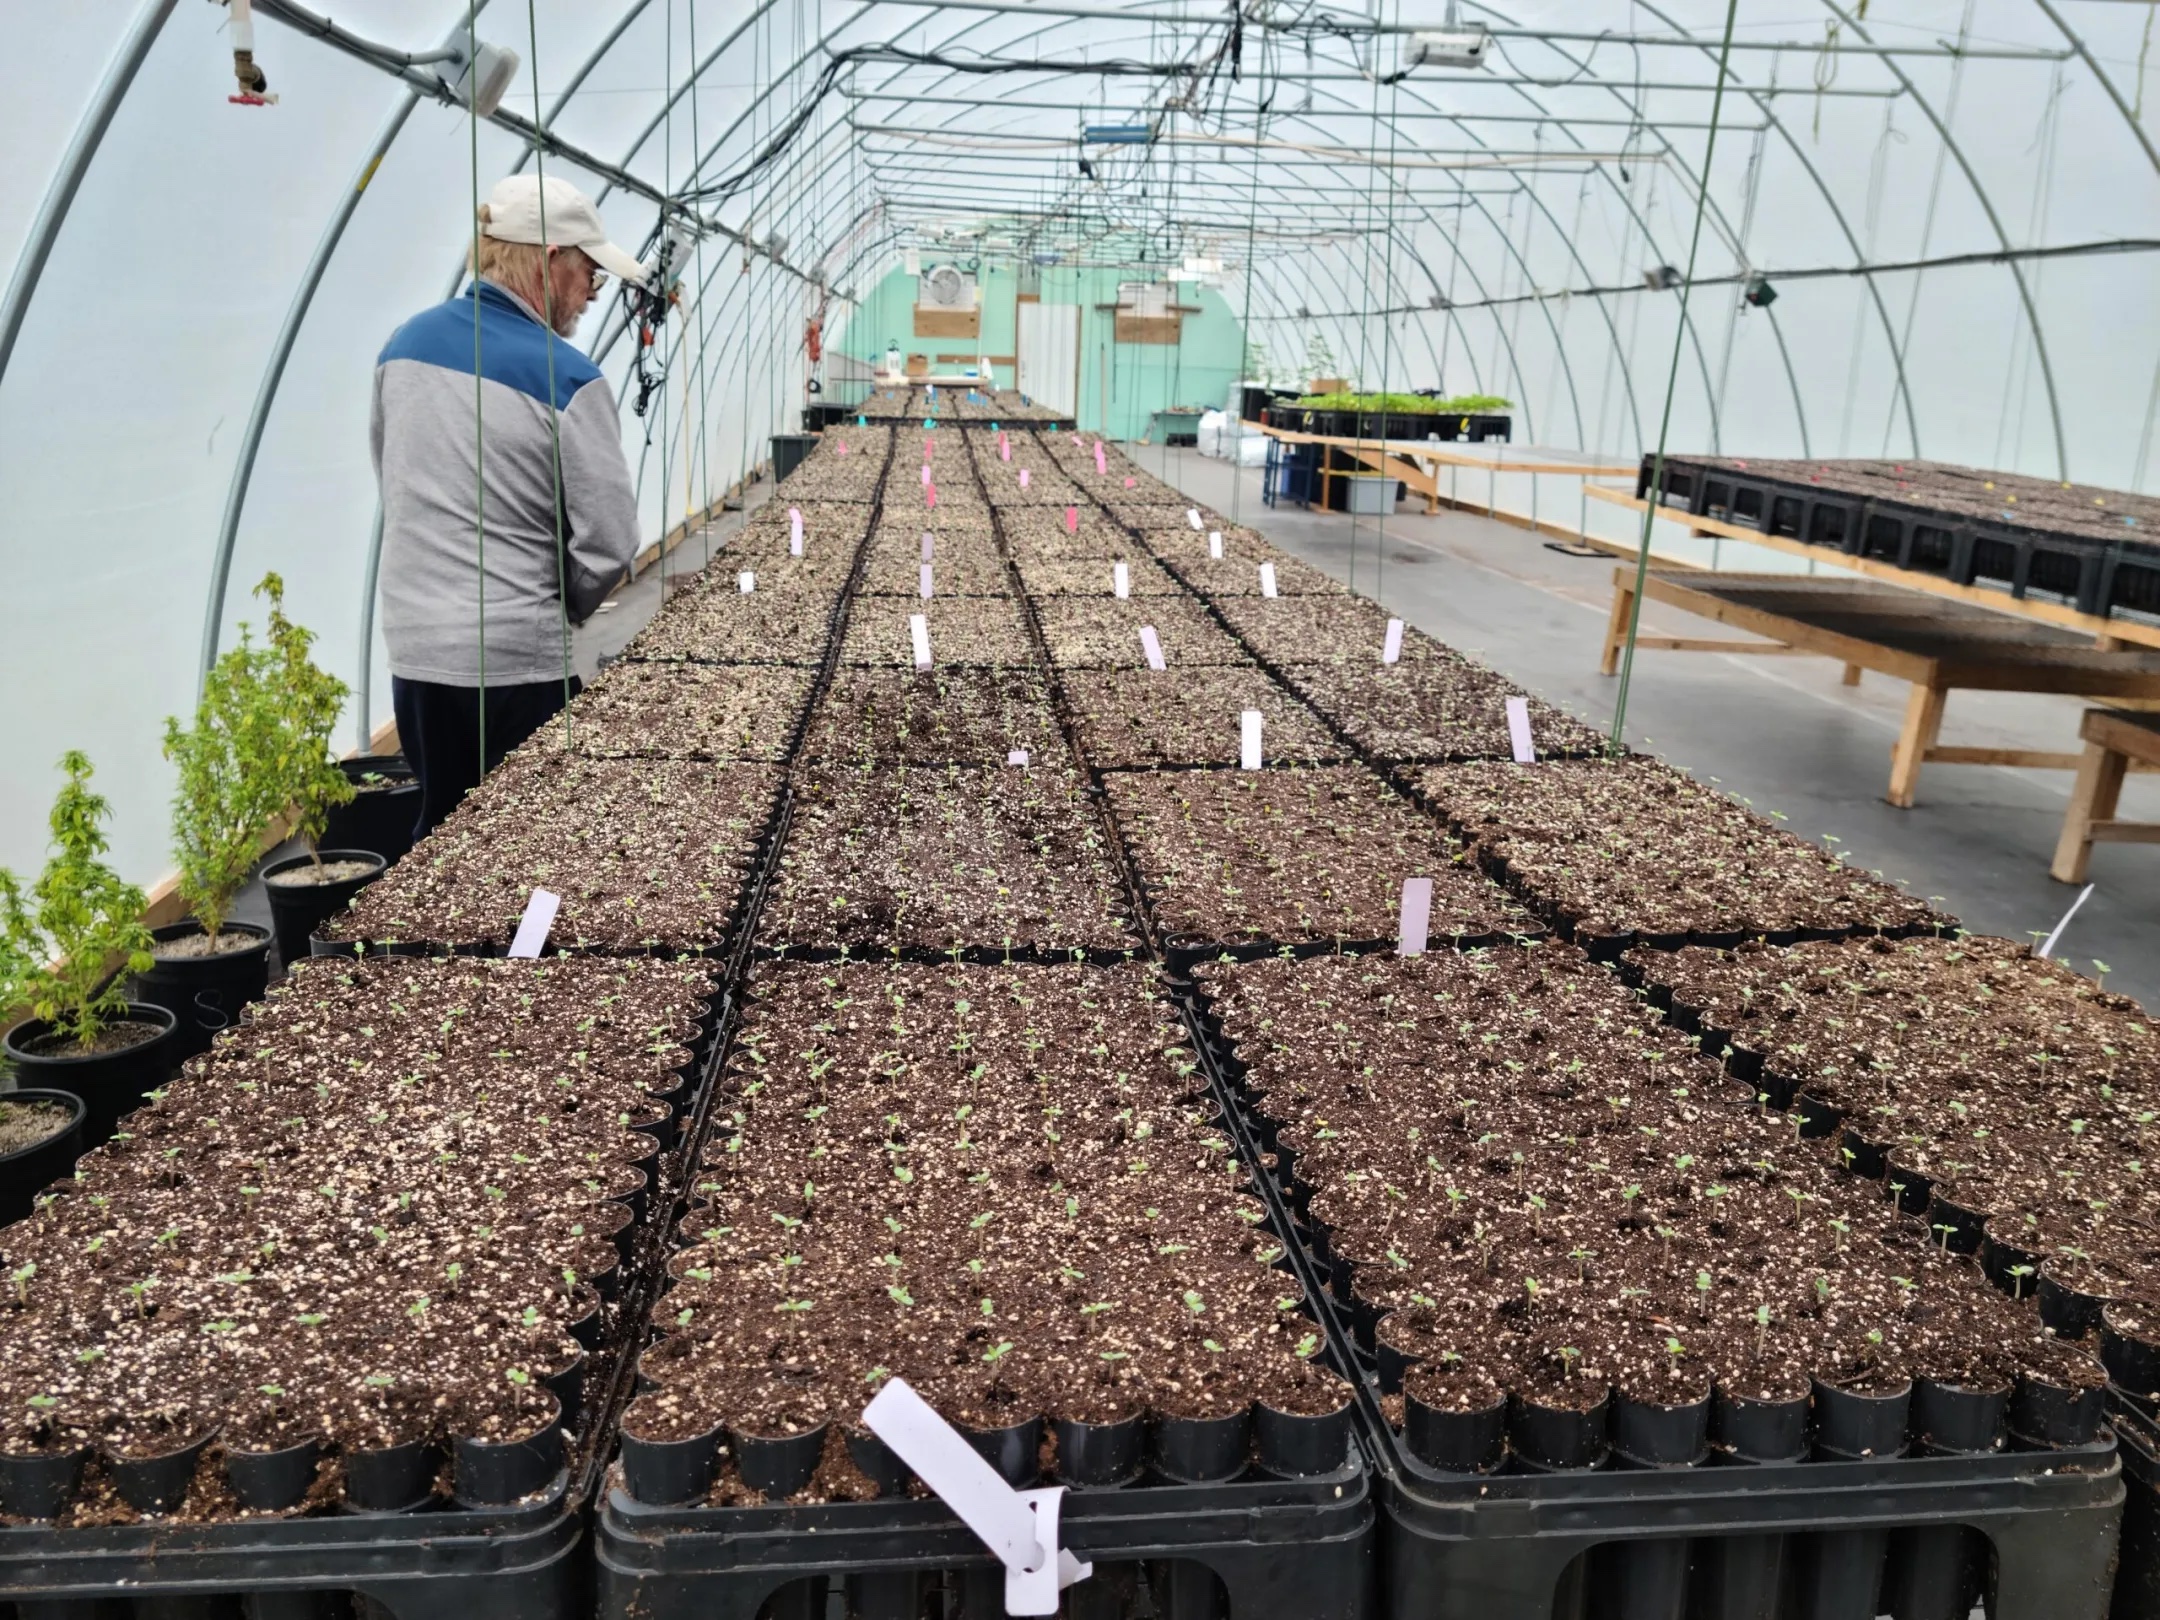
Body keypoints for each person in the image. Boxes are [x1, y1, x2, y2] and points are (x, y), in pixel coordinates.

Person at [372, 174, 649, 840]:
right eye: (589, 273)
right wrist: (562, 606)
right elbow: (610, 541)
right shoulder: (568, 376)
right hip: (514, 663)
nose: (592, 293)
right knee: (533, 841)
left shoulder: (400, 348)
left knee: (444, 838)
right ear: (550, 260)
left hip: (415, 653)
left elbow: (395, 478)